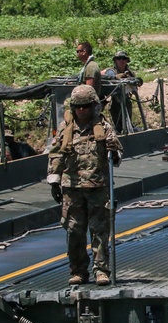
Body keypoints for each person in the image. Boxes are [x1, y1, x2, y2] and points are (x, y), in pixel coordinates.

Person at [47, 84, 123, 286]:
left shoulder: (103, 127)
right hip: (72, 189)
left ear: (93, 106)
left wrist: (113, 151)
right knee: (74, 232)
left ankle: (101, 270)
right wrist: (54, 181)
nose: (82, 110)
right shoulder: (66, 129)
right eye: (78, 107)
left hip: (97, 187)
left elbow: (116, 157)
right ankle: (78, 271)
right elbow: (56, 154)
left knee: (99, 232)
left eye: (86, 106)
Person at [102, 50, 142, 132]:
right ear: (115, 60)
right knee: (118, 127)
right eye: (119, 58)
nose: (121, 61)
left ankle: (129, 128)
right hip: (116, 103)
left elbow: (135, 83)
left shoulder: (129, 72)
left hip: (127, 101)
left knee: (128, 123)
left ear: (127, 60)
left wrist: (136, 81)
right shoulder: (111, 71)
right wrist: (117, 78)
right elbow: (110, 79)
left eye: (124, 58)